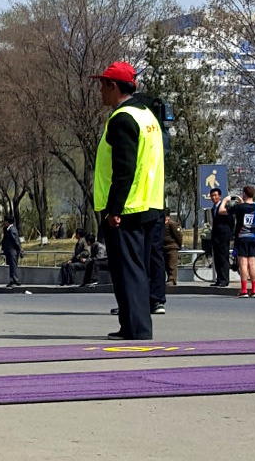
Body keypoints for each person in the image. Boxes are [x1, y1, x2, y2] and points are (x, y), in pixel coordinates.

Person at [91, 61, 165, 340]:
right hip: (151, 203)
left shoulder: (122, 118)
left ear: (114, 86)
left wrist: (115, 208)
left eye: (102, 85)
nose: (100, 91)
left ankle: (137, 329)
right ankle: (132, 325)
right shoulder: (147, 116)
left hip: (129, 206)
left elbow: (124, 168)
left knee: (128, 270)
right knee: (139, 268)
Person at [230, 186, 255, 298]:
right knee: (252, 264)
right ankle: (254, 290)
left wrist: (236, 201)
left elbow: (227, 210)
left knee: (243, 264)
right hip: (253, 236)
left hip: (242, 236)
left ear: (244, 194)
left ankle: (244, 289)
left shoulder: (240, 207)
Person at [209, 187, 234, 287]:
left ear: (219, 196)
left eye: (215, 195)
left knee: (223, 257)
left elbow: (231, 220)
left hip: (224, 235)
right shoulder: (213, 209)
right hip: (216, 236)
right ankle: (219, 279)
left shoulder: (225, 207)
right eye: (212, 196)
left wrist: (230, 233)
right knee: (217, 258)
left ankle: (224, 279)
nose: (213, 197)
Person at [0, 217, 22, 287]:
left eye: (5, 221)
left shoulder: (12, 230)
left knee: (13, 265)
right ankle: (12, 279)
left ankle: (15, 280)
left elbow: (15, 240)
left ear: (7, 222)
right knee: (11, 265)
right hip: (9, 250)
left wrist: (19, 248)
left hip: (13, 250)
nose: (4, 223)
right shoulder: (7, 229)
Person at [162, 215, 182, 288]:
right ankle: (167, 279)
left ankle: (172, 280)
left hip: (172, 247)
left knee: (172, 264)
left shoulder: (172, 224)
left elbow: (178, 235)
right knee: (165, 265)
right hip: (163, 247)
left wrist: (178, 245)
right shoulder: (161, 224)